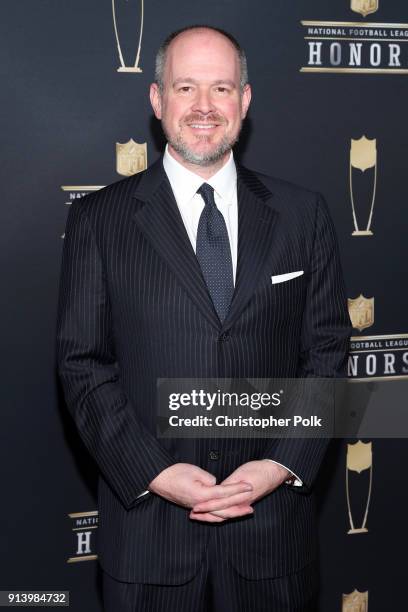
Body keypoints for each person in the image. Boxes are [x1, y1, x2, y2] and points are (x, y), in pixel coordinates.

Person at [56, 25, 351, 612]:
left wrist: (280, 464)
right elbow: (83, 365)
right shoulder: (99, 220)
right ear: (157, 99)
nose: (203, 107)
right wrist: (154, 474)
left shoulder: (302, 214)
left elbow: (328, 354)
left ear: (244, 100)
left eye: (220, 88)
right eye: (186, 87)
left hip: (272, 539)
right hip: (149, 539)